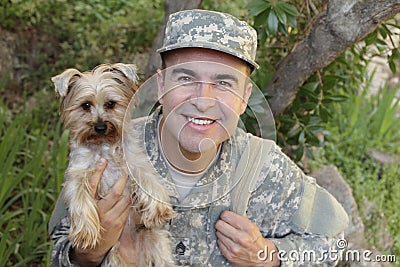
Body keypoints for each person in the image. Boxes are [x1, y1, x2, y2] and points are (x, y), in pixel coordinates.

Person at [49, 9, 349, 266]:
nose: (203, 100)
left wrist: (268, 254)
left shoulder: (263, 166)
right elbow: (56, 252)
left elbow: (336, 246)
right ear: (161, 85)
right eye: (186, 78)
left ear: (245, 98)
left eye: (224, 82)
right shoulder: (105, 150)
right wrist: (88, 254)